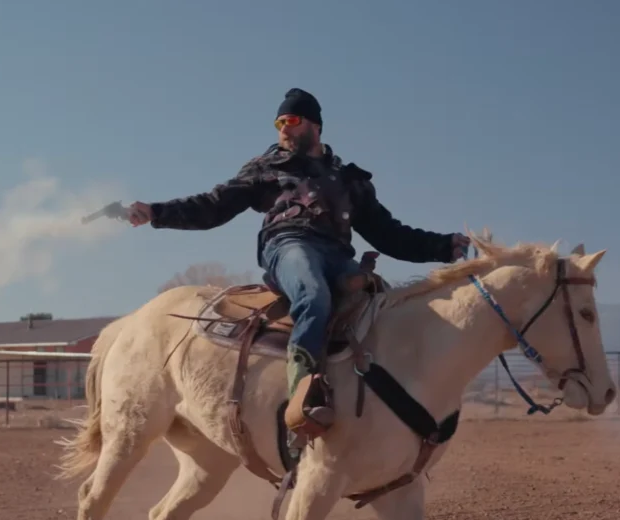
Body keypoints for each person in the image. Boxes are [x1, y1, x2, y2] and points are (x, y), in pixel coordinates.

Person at [125, 87, 470, 440]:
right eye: (278, 123)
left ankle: (385, 407)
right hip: (289, 245)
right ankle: (302, 401)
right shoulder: (267, 167)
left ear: (314, 125)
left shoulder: (350, 179)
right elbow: (215, 204)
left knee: (383, 303)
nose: (282, 130)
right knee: (313, 293)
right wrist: (157, 212)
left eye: (290, 121)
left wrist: (444, 246)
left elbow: (389, 233)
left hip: (338, 255)